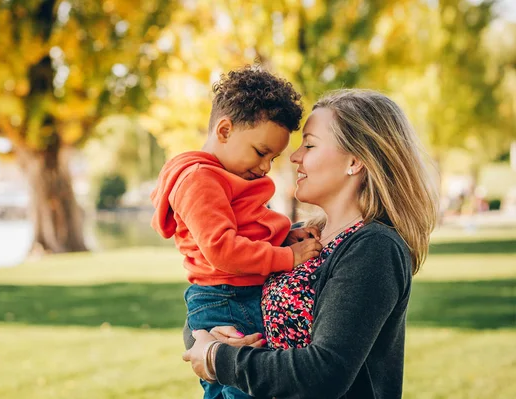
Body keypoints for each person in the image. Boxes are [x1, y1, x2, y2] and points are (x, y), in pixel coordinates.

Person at [183, 89, 439, 399]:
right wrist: (210, 337)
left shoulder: (374, 247)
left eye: (310, 144)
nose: (294, 156)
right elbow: (220, 300)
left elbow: (324, 370)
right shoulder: (301, 237)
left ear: (355, 161)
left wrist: (217, 358)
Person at [150, 66, 323, 399]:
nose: (264, 168)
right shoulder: (199, 180)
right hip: (226, 297)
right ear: (225, 130)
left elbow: (246, 228)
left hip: (235, 292)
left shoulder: (226, 176)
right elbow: (223, 249)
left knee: (230, 387)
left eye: (272, 158)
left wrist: (282, 238)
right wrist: (287, 257)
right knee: (245, 387)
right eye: (260, 152)